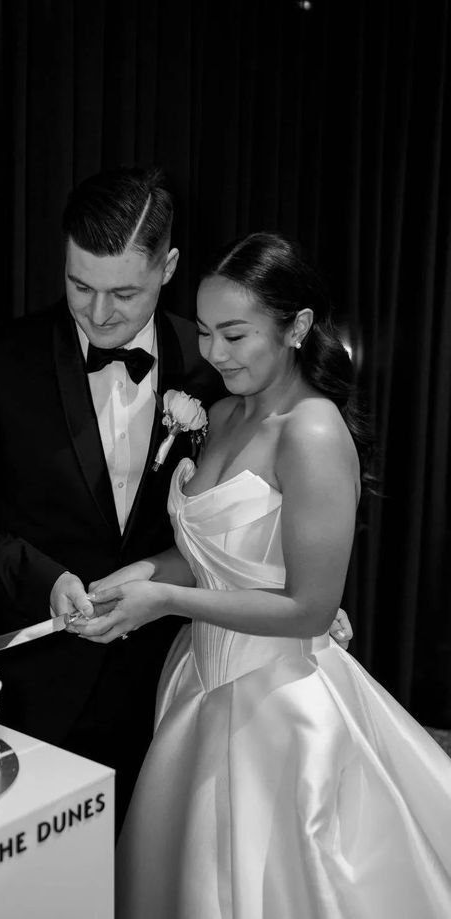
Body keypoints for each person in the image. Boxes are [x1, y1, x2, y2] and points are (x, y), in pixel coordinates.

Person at [0, 169, 349, 832]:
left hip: (171, 678)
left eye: (123, 292)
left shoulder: (210, 356)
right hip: (42, 685)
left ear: (168, 266)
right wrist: (47, 580)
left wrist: (278, 585)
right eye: (79, 285)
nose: (97, 313)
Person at [73, 230, 451, 917]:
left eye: (235, 334)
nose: (213, 353)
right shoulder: (220, 413)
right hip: (197, 682)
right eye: (207, 331)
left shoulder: (312, 431)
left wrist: (163, 600)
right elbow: (208, 556)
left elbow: (310, 607)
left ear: (297, 327)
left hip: (278, 701)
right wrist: (128, 578)